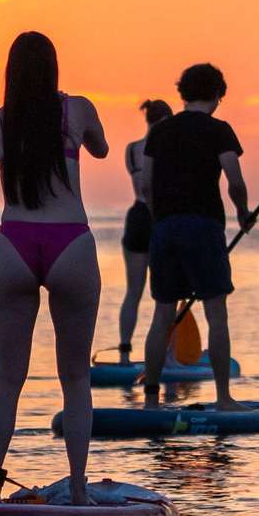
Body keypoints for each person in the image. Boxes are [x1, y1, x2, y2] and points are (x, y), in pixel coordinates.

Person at [0, 32, 110, 503]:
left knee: (7, 378)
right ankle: (78, 489)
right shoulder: (78, 111)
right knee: (74, 377)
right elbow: (103, 149)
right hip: (70, 241)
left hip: (14, 243)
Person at [139, 63, 252, 410]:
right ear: (217, 95)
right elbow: (234, 179)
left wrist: (161, 220)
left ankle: (152, 400)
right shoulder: (219, 130)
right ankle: (223, 398)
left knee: (162, 314)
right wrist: (243, 214)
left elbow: (145, 185)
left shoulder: (159, 132)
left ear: (183, 93)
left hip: (165, 229)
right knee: (216, 313)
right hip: (203, 227)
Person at [115, 98, 173, 364]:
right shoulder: (168, 149)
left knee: (133, 291)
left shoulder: (131, 149)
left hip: (136, 217)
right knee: (168, 293)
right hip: (158, 217)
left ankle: (125, 354)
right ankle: (169, 355)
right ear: (164, 121)